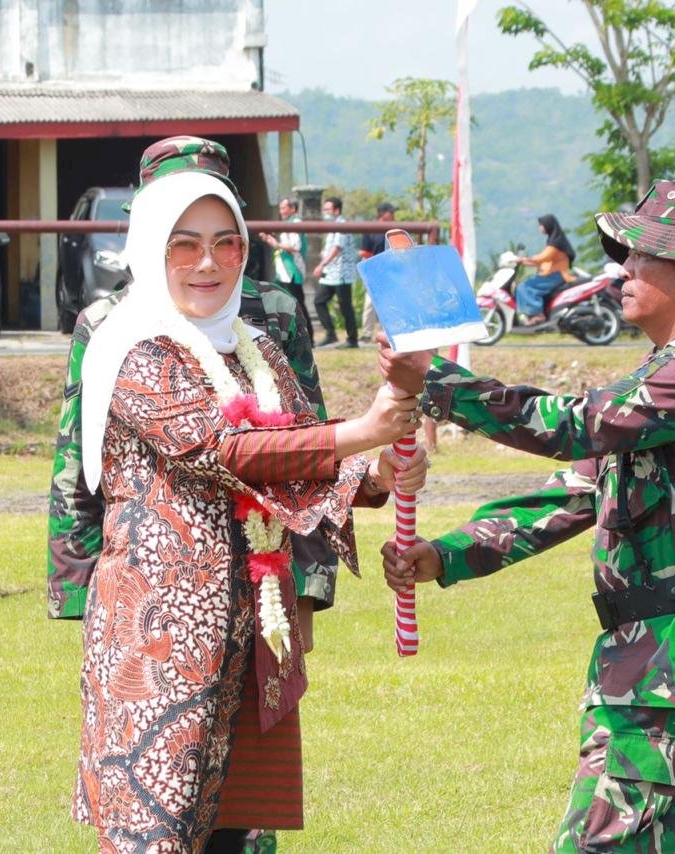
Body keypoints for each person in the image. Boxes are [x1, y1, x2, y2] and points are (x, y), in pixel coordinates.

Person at [379, 180, 675, 851]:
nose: (620, 270)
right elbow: (574, 493)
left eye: (640, 256)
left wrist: (440, 386)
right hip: (663, 655)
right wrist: (447, 553)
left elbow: (578, 426)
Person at [70, 143, 428, 851]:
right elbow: (219, 451)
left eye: (225, 243)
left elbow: (299, 450)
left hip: (253, 629)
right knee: (157, 830)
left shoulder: (256, 347)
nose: (208, 264)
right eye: (185, 246)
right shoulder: (131, 344)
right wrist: (361, 432)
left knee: (237, 832)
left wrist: (382, 471)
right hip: (161, 636)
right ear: (150, 248)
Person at [257, 196, 311, 340]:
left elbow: (294, 247)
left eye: (284, 207)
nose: (281, 211)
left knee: (298, 304)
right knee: (282, 303)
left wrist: (276, 244)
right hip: (284, 271)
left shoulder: (295, 223)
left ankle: (308, 336)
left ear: (293, 209)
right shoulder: (288, 223)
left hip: (292, 270)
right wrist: (269, 239)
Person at [311, 195, 359, 348]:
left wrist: (321, 264)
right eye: (324, 209)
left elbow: (337, 249)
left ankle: (352, 339)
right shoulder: (332, 226)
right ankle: (331, 334)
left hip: (342, 273)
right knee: (319, 301)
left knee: (345, 305)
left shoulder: (342, 225)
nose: (325, 212)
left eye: (327, 209)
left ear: (336, 210)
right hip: (331, 273)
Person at [515, 213, 576, 325]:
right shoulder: (553, 239)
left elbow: (543, 257)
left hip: (556, 275)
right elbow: (543, 261)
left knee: (524, 287)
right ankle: (531, 314)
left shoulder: (556, 242)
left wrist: (523, 259)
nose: (540, 228)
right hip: (550, 274)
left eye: (541, 225)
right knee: (524, 285)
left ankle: (538, 314)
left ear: (548, 225)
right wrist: (524, 261)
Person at [357, 201, 396, 342]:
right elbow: (364, 252)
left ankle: (388, 332)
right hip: (373, 270)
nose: (392, 215)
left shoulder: (393, 230)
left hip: (389, 272)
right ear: (383, 214)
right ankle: (367, 333)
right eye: (390, 212)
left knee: (389, 303)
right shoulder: (371, 229)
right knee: (370, 304)